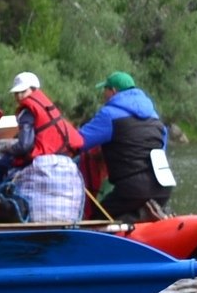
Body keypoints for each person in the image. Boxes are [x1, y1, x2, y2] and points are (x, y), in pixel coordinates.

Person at [75, 72, 174, 222]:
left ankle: (140, 218)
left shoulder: (109, 114)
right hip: (164, 188)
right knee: (127, 214)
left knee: (96, 218)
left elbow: (78, 142)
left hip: (132, 190)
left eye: (105, 89)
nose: (103, 95)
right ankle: (146, 218)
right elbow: (161, 148)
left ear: (113, 91)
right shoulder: (155, 117)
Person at [5, 71, 86, 223]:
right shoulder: (48, 107)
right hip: (63, 161)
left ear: (34, 90)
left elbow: (24, 146)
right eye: (17, 93)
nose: (19, 96)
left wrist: (7, 148)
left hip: (42, 160)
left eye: (23, 91)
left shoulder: (27, 111)